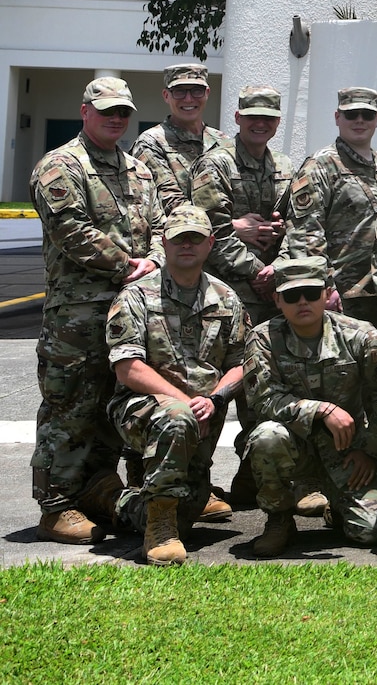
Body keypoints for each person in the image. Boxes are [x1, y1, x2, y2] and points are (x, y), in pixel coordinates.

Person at [31, 76, 160, 543]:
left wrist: (155, 261)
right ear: (85, 111)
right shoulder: (61, 166)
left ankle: (98, 493)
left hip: (130, 312)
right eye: (107, 110)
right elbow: (72, 231)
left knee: (113, 407)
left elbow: (163, 226)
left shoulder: (140, 171)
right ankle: (55, 505)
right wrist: (129, 265)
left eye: (123, 111)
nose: (116, 118)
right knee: (70, 408)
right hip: (77, 317)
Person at [102, 206, 248, 565]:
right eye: (179, 238)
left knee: (191, 511)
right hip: (141, 410)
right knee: (177, 415)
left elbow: (243, 363)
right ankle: (159, 528)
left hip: (203, 414)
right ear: (163, 243)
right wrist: (185, 401)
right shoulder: (135, 296)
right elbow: (128, 368)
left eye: (195, 238)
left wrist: (214, 400)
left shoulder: (227, 299)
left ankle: (112, 498)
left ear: (210, 244)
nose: (187, 245)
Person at [241, 254, 377, 557]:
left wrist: (369, 451)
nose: (303, 302)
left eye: (312, 293)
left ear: (327, 293)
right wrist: (320, 410)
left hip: (345, 451)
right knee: (266, 435)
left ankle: (339, 509)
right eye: (291, 295)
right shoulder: (263, 338)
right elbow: (263, 400)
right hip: (292, 448)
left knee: (375, 529)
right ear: (278, 300)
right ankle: (279, 519)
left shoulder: (362, 336)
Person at [280, 86, 377, 339]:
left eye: (366, 114)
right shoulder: (320, 166)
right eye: (351, 115)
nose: (359, 120)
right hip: (341, 295)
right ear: (338, 118)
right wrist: (323, 287)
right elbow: (305, 233)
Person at [190, 86, 291, 329]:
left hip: (277, 294)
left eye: (267, 118)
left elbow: (298, 226)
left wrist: (278, 268)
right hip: (225, 293)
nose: (260, 124)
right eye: (252, 117)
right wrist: (260, 273)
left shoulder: (285, 166)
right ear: (238, 118)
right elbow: (212, 232)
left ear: (277, 121)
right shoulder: (215, 164)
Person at [132, 63, 226, 214]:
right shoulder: (152, 143)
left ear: (207, 93)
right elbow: (170, 203)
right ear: (166, 96)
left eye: (197, 91)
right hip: (180, 235)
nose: (188, 99)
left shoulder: (223, 142)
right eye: (179, 91)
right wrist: (229, 225)